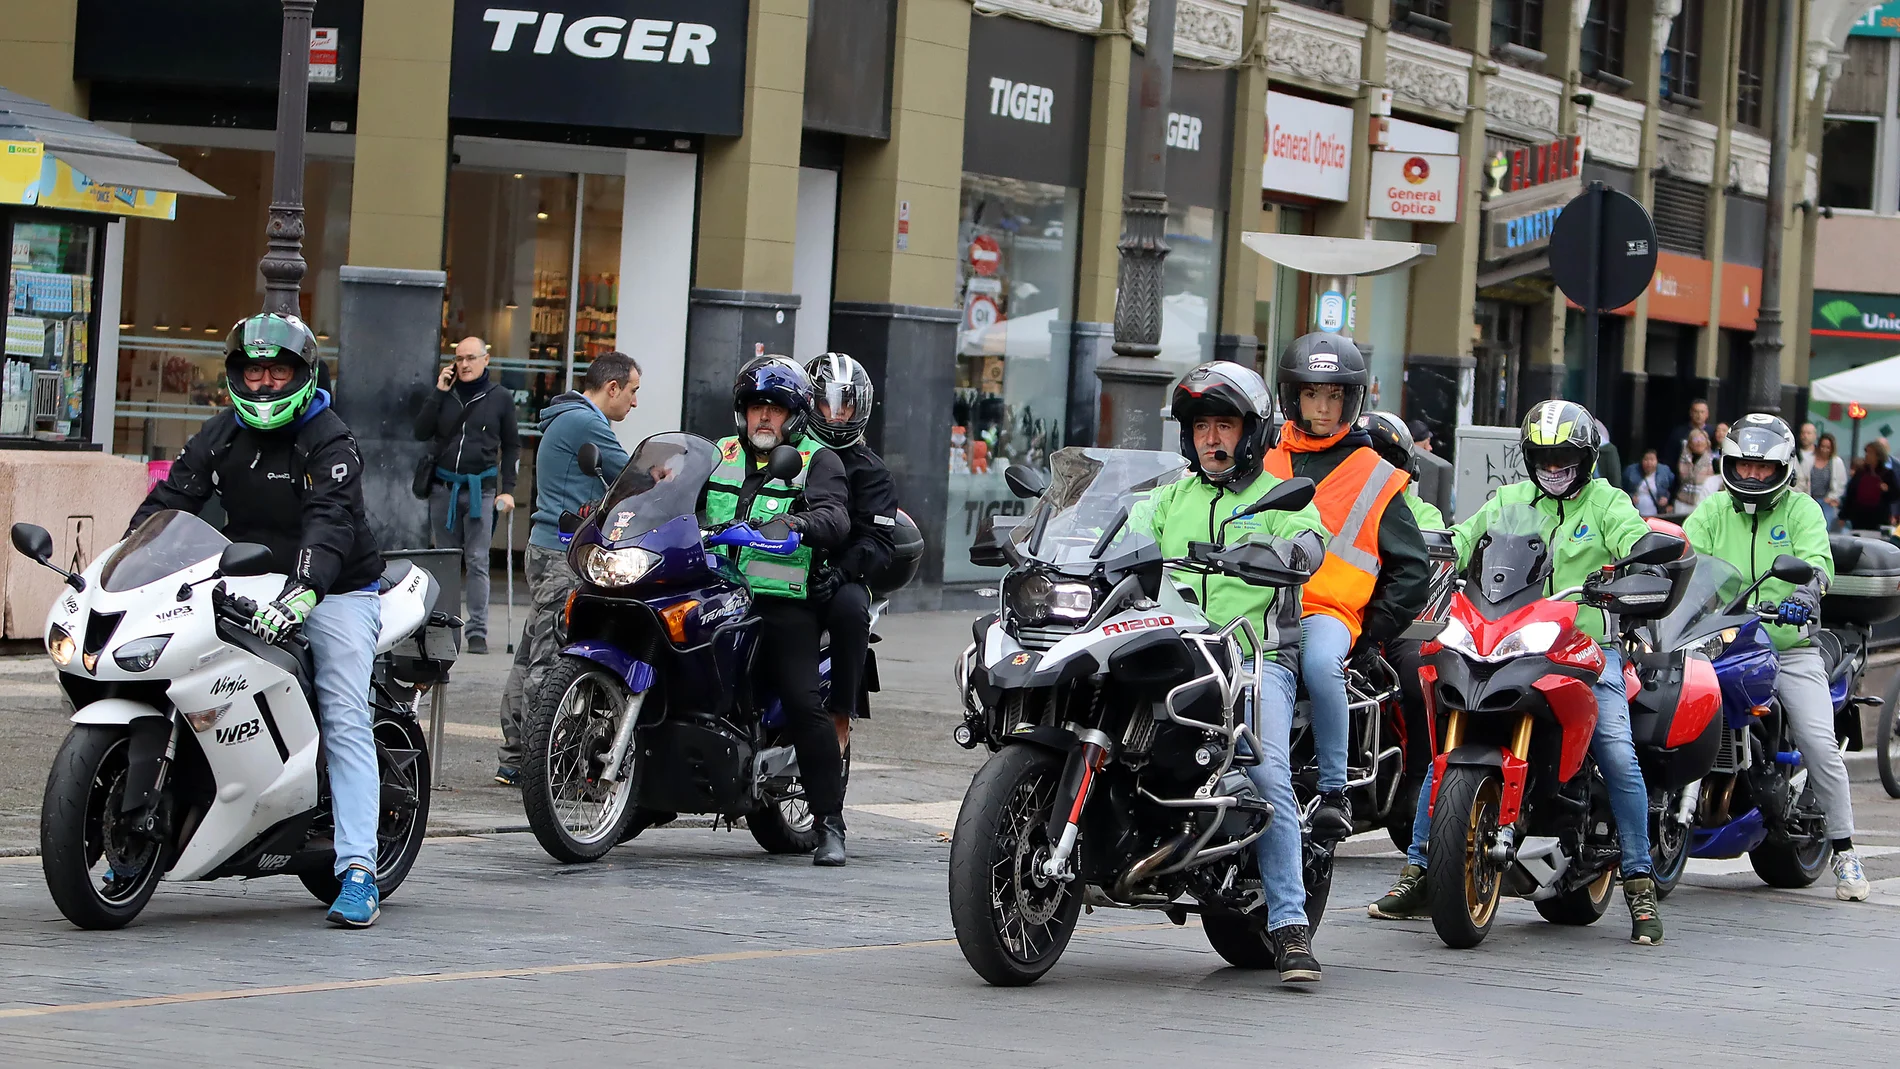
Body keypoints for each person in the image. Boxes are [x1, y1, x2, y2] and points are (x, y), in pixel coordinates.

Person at [1369, 399, 1665, 946]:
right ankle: (1417, 871)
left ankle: (1640, 882)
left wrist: (1639, 564)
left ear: (1586, 460)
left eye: (1565, 459)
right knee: (1445, 755)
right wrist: (1423, 548)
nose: (1554, 468)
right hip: (1504, 641)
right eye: (1543, 458)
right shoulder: (1508, 501)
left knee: (1618, 754)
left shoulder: (1607, 503)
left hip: (1585, 650)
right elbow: (1461, 542)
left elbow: (1635, 546)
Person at [134, 314, 387, 928]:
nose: (266, 382)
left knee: (344, 712)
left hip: (334, 590)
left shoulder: (328, 439)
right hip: (245, 579)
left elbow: (330, 522)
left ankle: (358, 870)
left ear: (301, 374)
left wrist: (304, 592)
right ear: (236, 376)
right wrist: (129, 560)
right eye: (254, 370)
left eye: (277, 370)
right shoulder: (220, 434)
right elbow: (169, 504)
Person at [1129, 361, 1329, 982]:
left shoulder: (1275, 499)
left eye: (1225, 425)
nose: (1212, 439)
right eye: (1201, 427)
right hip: (1165, 650)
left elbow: (1310, 538)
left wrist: (1289, 551)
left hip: (1251, 659)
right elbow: (1117, 545)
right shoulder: (1167, 498)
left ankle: (1291, 926)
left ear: (1252, 434)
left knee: (1266, 770)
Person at [1681, 414, 1870, 901]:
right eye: (1744, 465)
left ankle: (1846, 854)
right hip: (1717, 640)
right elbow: (1684, 560)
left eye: (1764, 469)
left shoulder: (1803, 511)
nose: (1752, 476)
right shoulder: (1713, 509)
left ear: (1784, 468)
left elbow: (1819, 565)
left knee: (1817, 740)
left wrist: (1807, 594)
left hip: (1786, 648)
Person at [1265, 335, 1432, 842]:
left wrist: (1371, 633)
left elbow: (1413, 570)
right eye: (1313, 394)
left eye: (1334, 396)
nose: (1322, 406)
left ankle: (1335, 791)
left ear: (1350, 401)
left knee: (1319, 664)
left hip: (1328, 611)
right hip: (1259, 606)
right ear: (1294, 397)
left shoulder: (1376, 474)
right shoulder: (1265, 458)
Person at [707, 357, 852, 864]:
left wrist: (797, 524)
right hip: (717, 596)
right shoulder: (718, 454)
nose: (762, 418)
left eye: (773, 409)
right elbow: (671, 491)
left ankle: (829, 822)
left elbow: (835, 518)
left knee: (801, 701)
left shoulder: (817, 460)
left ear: (793, 416)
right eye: (754, 409)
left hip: (781, 603)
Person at [495, 353, 640, 787]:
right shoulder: (586, 422)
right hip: (563, 554)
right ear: (611, 387)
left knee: (531, 652)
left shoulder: (569, 417)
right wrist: (673, 482)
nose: (634, 403)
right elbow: (633, 476)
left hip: (549, 548)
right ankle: (543, 765)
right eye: (633, 391)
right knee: (551, 658)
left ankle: (515, 755)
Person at [803, 352, 897, 765]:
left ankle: (841, 712)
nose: (836, 415)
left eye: (846, 405)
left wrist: (842, 573)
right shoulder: (792, 453)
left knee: (851, 609)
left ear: (861, 408)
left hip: (841, 570)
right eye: (826, 403)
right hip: (778, 561)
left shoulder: (872, 472)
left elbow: (878, 541)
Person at [413, 336, 520, 655]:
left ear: (486, 360)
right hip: (443, 488)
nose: (464, 364)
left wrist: (509, 490)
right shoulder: (446, 394)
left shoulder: (500, 398)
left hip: (480, 491)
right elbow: (420, 431)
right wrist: (438, 392)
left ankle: (477, 632)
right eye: (459, 359)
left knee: (477, 560)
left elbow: (512, 444)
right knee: (446, 560)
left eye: (471, 358)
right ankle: (444, 627)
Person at [1360, 411, 1443, 820]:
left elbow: (1423, 569)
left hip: (1396, 624)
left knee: (1419, 674)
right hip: (1334, 615)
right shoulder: (1330, 499)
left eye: (1385, 459)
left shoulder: (1421, 514)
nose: (1376, 468)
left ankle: (1421, 777)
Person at [1842, 439, 1898, 532]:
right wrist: (1843, 515)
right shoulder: (1860, 473)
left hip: (1879, 518)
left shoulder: (1888, 474)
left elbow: (1895, 495)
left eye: (1870, 453)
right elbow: (1850, 494)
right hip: (1859, 518)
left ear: (1878, 456)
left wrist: (1887, 489)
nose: (1867, 455)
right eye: (1866, 452)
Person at [1808, 432, 1845, 530]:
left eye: (1828, 447)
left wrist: (1831, 497)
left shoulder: (1836, 462)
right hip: (1810, 499)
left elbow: (1841, 484)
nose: (1824, 450)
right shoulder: (1809, 459)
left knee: (1824, 527)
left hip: (1827, 501)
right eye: (1822, 446)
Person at [1624, 448, 1674, 517]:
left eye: (1652, 459)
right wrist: (1630, 496)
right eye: (1646, 459)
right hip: (1636, 514)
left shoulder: (1665, 472)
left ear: (1657, 461)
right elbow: (1623, 487)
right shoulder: (1631, 471)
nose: (1649, 463)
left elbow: (1673, 487)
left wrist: (1667, 499)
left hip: (1657, 513)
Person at [1665, 398, 1710, 472]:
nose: (1699, 415)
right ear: (1691, 413)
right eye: (1696, 412)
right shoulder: (1678, 433)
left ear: (1707, 414)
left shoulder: (1713, 432)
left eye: (1702, 412)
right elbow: (1670, 456)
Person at [1676, 428, 1717, 510]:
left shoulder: (1713, 460)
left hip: (1702, 502)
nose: (1699, 441)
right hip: (1682, 502)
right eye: (1695, 439)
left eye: (1702, 439)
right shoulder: (1683, 458)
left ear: (1707, 442)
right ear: (1690, 443)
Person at [1796, 422, 1819, 494]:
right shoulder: (1794, 454)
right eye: (1803, 433)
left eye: (1808, 433)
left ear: (1815, 436)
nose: (1805, 436)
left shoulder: (1820, 455)